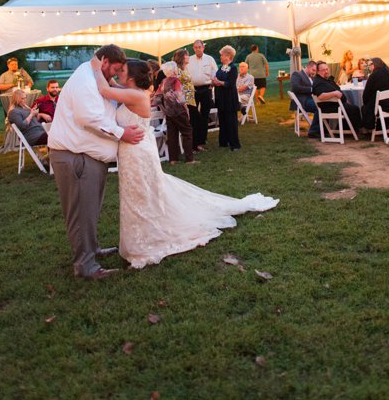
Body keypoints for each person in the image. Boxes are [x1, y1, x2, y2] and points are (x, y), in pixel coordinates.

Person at [87, 56, 277, 269]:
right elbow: (111, 86)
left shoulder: (134, 94)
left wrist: (95, 68)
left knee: (142, 195)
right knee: (138, 195)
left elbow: (105, 90)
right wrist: (109, 78)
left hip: (137, 153)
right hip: (134, 150)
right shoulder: (133, 91)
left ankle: (145, 242)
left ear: (131, 78)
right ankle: (141, 238)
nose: (116, 74)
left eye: (121, 71)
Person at [47, 44, 146, 280]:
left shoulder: (93, 76)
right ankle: (85, 266)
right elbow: (89, 118)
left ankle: (92, 250)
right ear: (104, 62)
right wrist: (122, 133)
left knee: (89, 210)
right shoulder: (84, 79)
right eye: (116, 69)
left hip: (88, 158)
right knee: (80, 212)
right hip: (75, 157)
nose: (115, 74)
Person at [156, 62, 194, 164]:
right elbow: (179, 96)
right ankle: (189, 159)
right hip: (178, 110)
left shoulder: (163, 82)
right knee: (187, 132)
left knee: (172, 135)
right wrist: (186, 108)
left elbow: (157, 98)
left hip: (169, 112)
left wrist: (164, 109)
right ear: (173, 70)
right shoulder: (175, 80)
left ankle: (173, 159)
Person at [312, 61, 361, 134]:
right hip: (329, 107)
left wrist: (345, 100)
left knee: (352, 107)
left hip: (337, 105)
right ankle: (356, 130)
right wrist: (334, 93)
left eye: (327, 69)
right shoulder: (318, 82)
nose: (326, 71)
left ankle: (348, 129)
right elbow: (320, 96)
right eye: (323, 70)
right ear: (318, 71)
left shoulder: (326, 80)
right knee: (355, 109)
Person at [186, 40, 217, 151]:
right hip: (193, 90)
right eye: (195, 47)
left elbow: (215, 72)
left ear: (203, 47)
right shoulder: (189, 60)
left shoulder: (209, 59)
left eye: (200, 47)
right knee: (194, 115)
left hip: (206, 89)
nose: (198, 49)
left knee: (205, 115)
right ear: (193, 48)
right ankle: (195, 139)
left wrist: (211, 85)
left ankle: (202, 140)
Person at [211, 46, 241, 151]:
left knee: (231, 121)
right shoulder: (222, 67)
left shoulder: (233, 68)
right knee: (222, 120)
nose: (220, 57)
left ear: (228, 56)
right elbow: (218, 77)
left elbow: (230, 83)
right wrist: (214, 81)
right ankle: (223, 141)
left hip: (229, 98)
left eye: (222, 55)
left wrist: (219, 82)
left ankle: (234, 144)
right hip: (221, 98)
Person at [361, 57, 389, 132]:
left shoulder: (374, 75)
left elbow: (366, 95)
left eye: (370, 64)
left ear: (375, 64)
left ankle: (368, 128)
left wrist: (366, 103)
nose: (369, 66)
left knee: (366, 106)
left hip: (385, 106)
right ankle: (386, 126)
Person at [286, 61, 318, 134]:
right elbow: (295, 87)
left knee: (326, 105)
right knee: (319, 106)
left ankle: (323, 129)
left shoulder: (312, 77)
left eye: (315, 71)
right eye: (313, 70)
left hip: (312, 99)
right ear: (308, 67)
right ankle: (314, 131)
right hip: (303, 101)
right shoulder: (297, 74)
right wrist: (311, 89)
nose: (314, 72)